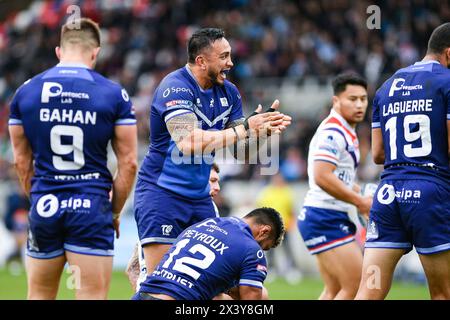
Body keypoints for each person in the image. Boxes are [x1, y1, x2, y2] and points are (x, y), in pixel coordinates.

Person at [134, 27, 291, 278]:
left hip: (200, 199)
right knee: (162, 283)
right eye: (224, 56)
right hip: (161, 194)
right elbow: (188, 142)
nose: (231, 62)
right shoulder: (174, 87)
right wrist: (246, 129)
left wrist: (262, 133)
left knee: (210, 281)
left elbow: (241, 153)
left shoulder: (229, 92)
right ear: (201, 61)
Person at [8, 18, 137, 299]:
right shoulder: (113, 94)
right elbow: (128, 163)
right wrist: (114, 212)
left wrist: (40, 199)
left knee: (39, 294)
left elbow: (20, 161)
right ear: (96, 52)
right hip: (90, 207)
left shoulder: (25, 93)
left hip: (46, 205)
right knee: (90, 295)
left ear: (59, 51)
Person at [355, 23, 450, 300]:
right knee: (443, 294)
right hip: (430, 194)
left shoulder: (387, 86)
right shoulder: (446, 83)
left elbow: (378, 155)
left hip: (388, 195)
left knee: (369, 291)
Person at [297, 73, 373, 299]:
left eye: (363, 99)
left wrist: (359, 191)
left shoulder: (345, 129)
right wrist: (360, 202)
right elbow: (322, 176)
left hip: (323, 216)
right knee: (355, 286)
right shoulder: (333, 131)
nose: (359, 104)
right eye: (352, 99)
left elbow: (339, 177)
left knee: (334, 290)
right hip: (324, 216)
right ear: (336, 101)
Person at [132, 207, 284, 300]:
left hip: (143, 295)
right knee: (261, 294)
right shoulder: (252, 250)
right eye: (264, 246)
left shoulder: (205, 224)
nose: (261, 250)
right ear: (264, 231)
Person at [126, 163, 223, 292]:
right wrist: (142, 289)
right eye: (212, 181)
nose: (217, 188)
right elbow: (133, 266)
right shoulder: (164, 208)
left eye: (217, 182)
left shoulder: (210, 210)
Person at [256, 173, 301, 283]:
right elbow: (261, 209)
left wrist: (292, 223)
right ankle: (271, 269)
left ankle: (292, 270)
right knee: (269, 249)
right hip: (270, 227)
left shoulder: (287, 192)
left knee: (287, 249)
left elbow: (292, 210)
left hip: (284, 227)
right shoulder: (267, 191)